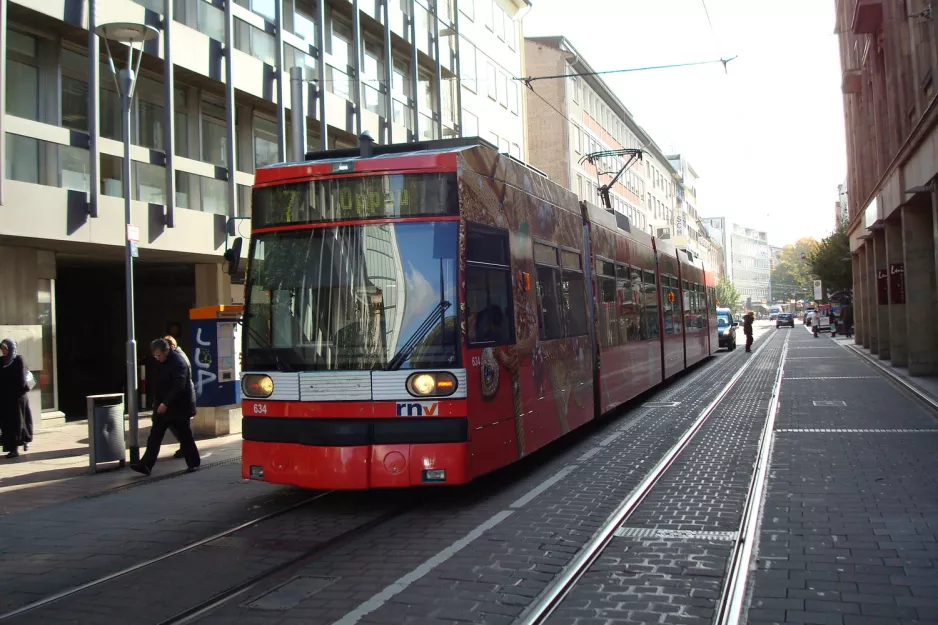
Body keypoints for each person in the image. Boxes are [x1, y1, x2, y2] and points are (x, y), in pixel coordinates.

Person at [131, 338, 200, 476]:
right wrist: (156, 402)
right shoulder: (160, 363)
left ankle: (193, 463)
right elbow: (158, 383)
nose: (157, 358)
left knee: (184, 435)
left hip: (178, 406)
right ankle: (145, 465)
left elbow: (178, 386)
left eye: (159, 355)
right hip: (162, 406)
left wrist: (166, 403)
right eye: (155, 356)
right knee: (155, 436)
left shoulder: (179, 362)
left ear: (167, 350)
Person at [0, 339, 32, 458]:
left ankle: (15, 448)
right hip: (5, 398)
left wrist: (13, 390)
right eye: (2, 349)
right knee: (6, 424)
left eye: (5, 349)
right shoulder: (1, 361)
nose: (3, 351)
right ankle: (12, 445)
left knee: (17, 422)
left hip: (17, 398)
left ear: (11, 348)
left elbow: (21, 380)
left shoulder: (18, 360)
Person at [164, 335, 191, 460]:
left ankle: (187, 449)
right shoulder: (177, 357)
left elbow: (179, 383)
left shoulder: (178, 359)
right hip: (180, 400)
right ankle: (186, 448)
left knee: (181, 427)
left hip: (181, 400)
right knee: (180, 427)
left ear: (172, 346)